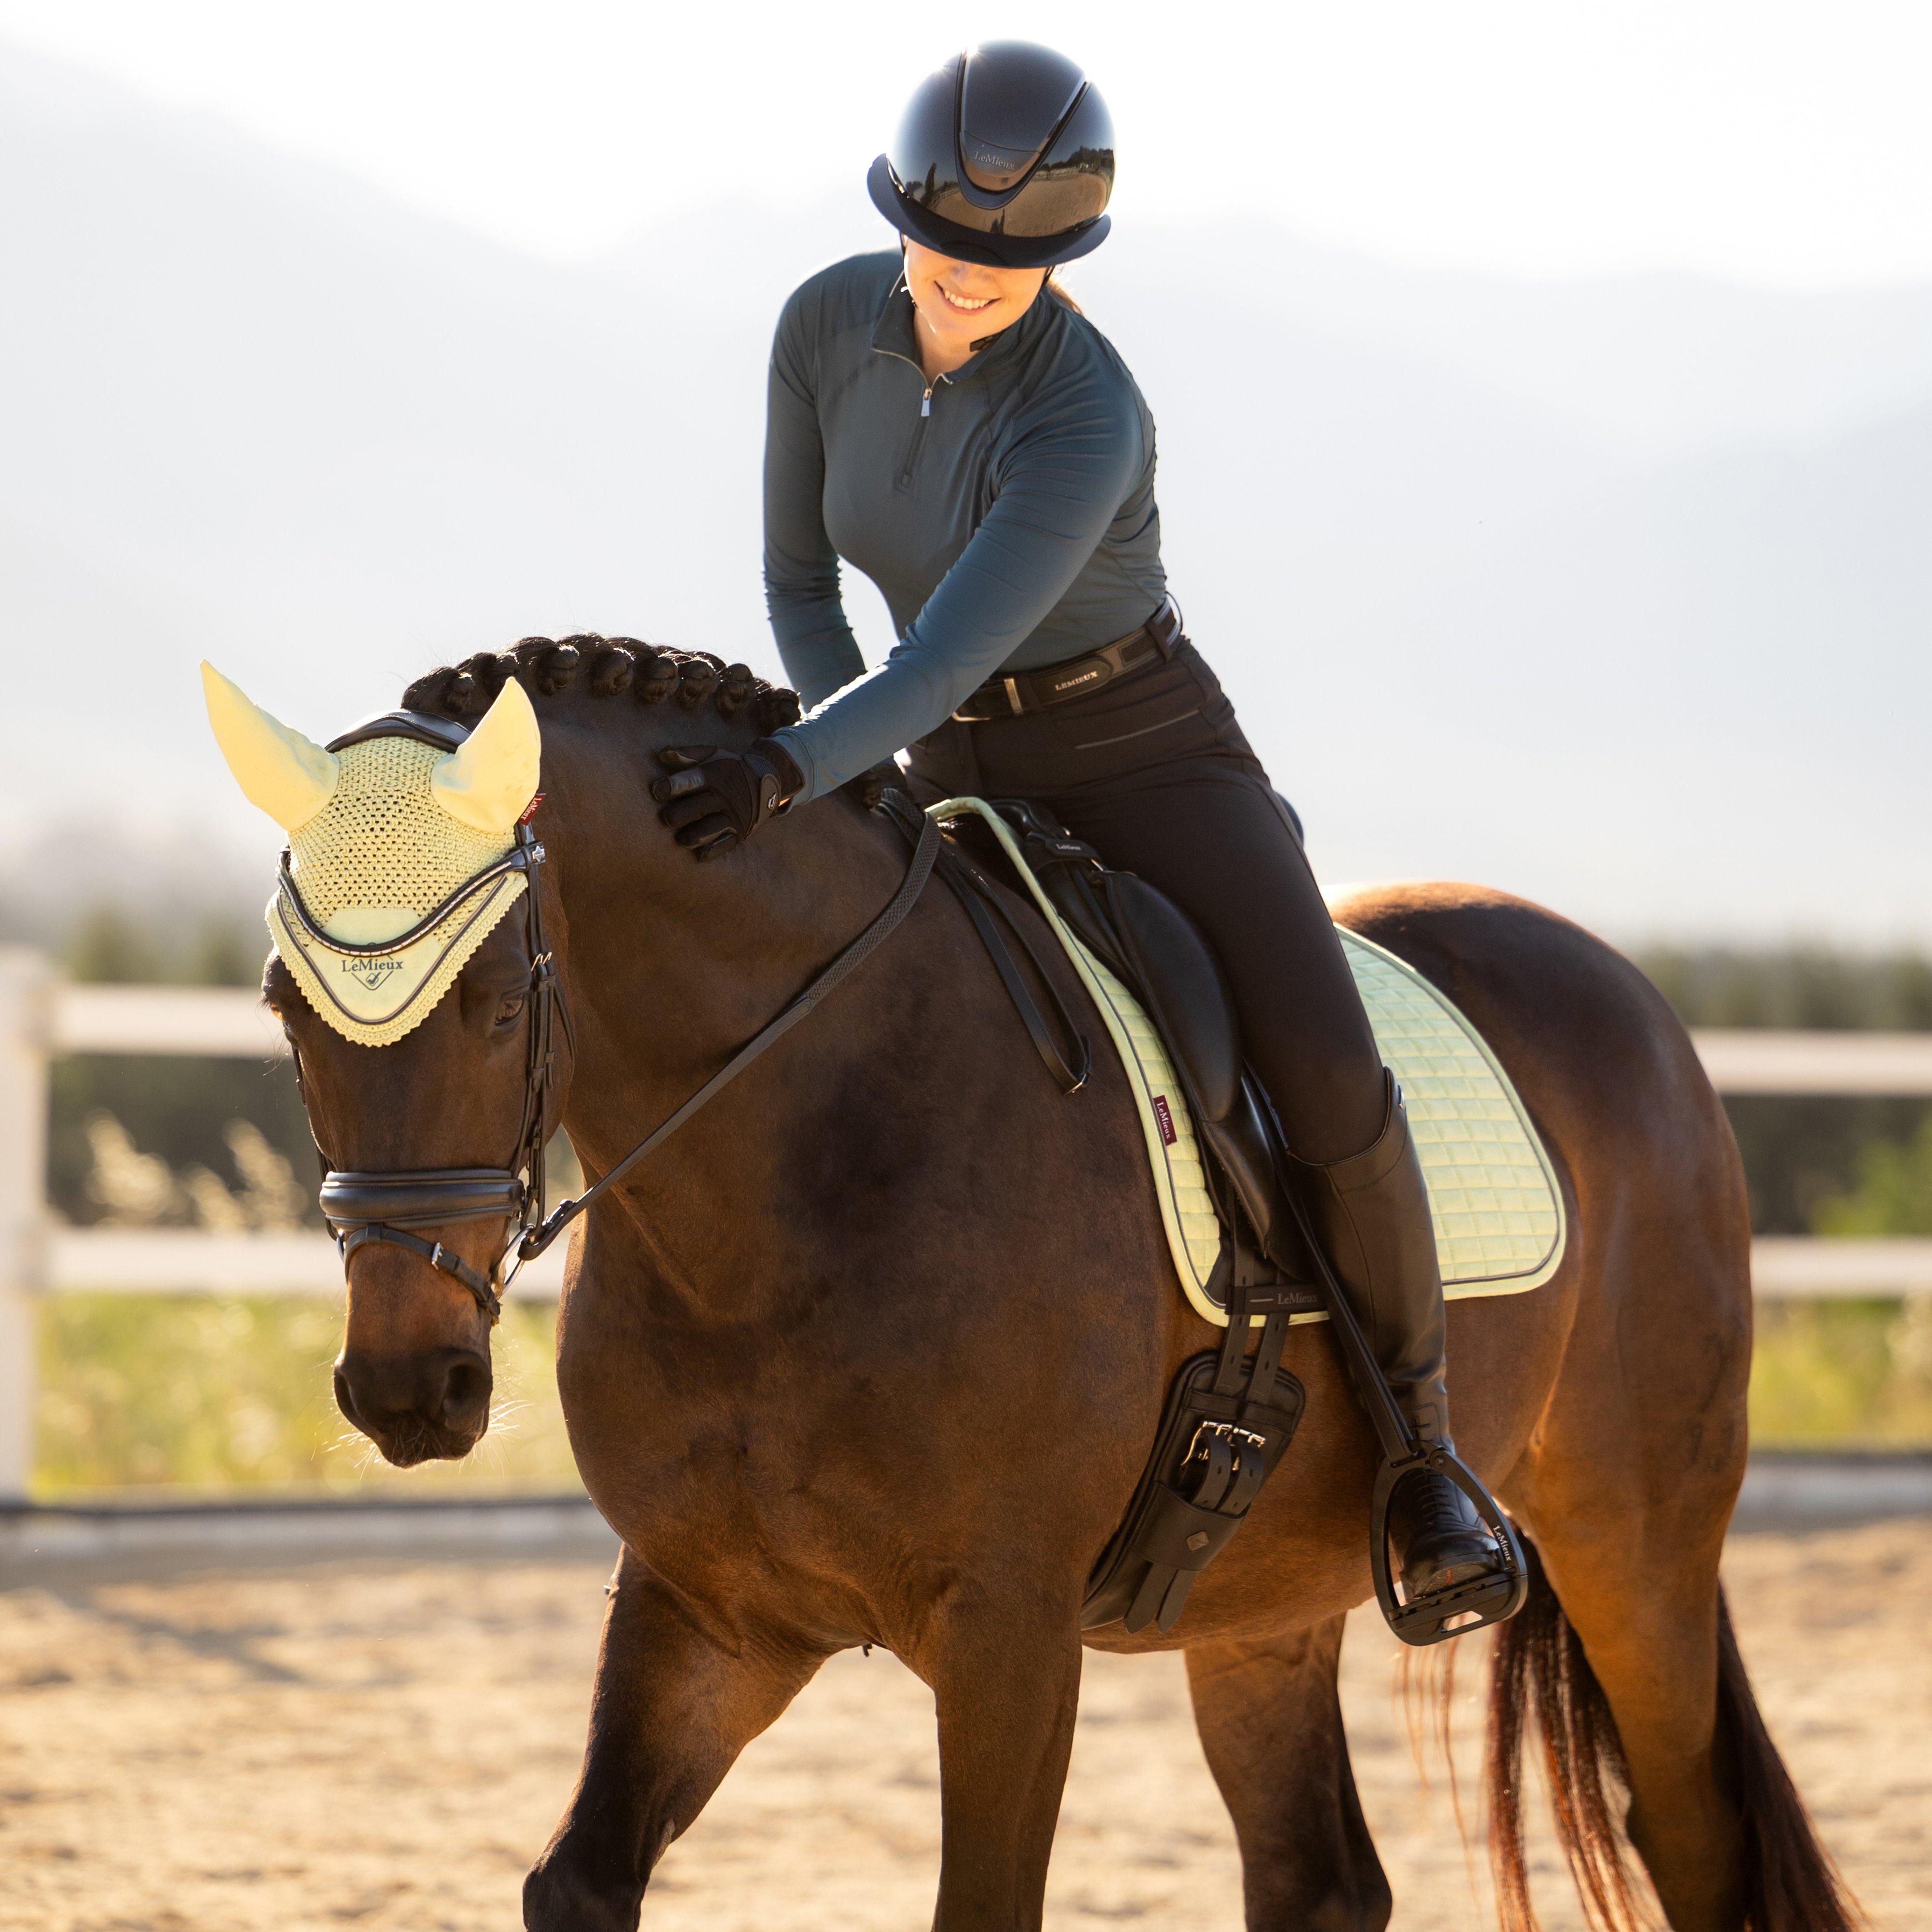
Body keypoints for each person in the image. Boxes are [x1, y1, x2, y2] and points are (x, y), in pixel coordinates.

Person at [651, 41, 1502, 1604]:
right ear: (898, 216)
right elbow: (798, 584)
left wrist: (794, 772)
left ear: (1066, 258)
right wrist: (848, 767)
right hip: (936, 747)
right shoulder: (822, 323)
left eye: (1015, 261)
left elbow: (946, 651)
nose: (970, 281)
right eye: (948, 248)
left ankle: (1425, 1465)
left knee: (1318, 1059)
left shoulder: (1088, 415)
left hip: (1146, 754)